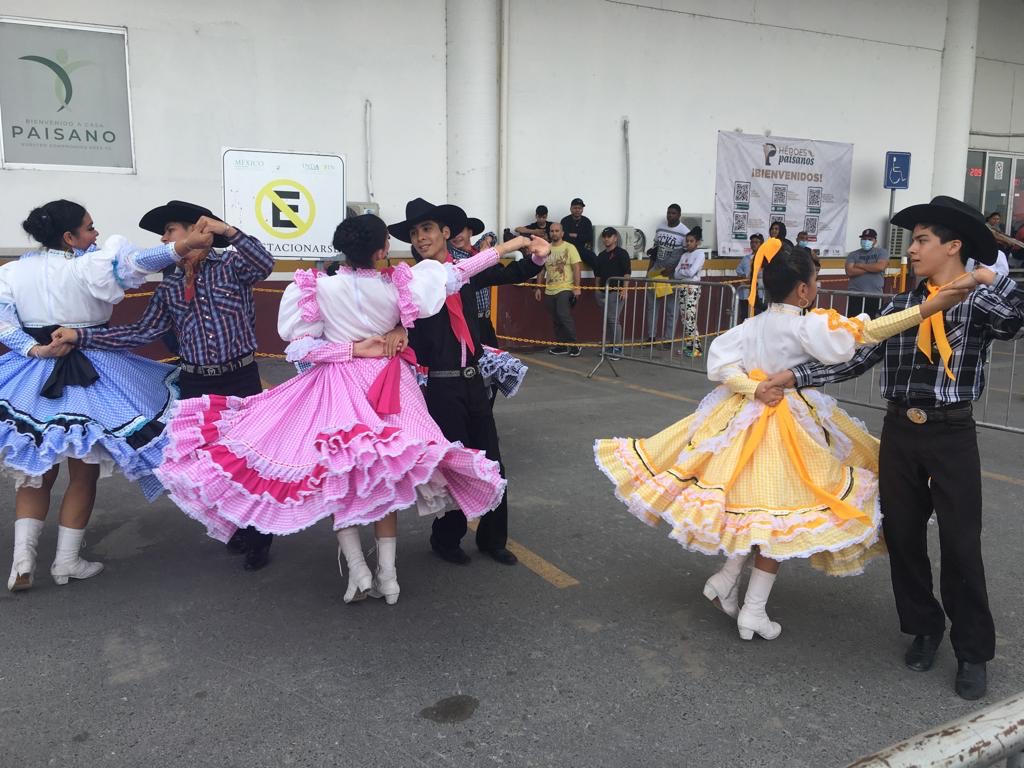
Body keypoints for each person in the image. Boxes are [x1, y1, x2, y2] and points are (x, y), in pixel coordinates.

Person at [594, 239, 969, 642]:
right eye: (815, 281)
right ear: (803, 290)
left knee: (753, 511)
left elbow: (718, 365)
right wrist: (929, 307)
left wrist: (750, 388)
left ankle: (726, 579)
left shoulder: (751, 324)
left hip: (742, 419)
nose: (818, 288)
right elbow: (866, 332)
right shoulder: (805, 325)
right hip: (787, 426)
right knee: (778, 518)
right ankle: (752, 609)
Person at [152, 214, 532, 605]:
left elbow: (298, 349)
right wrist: (506, 248)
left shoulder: (320, 289)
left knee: (340, 477)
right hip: (390, 386)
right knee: (383, 477)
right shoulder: (399, 285)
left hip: (338, 385)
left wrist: (349, 349)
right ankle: (388, 576)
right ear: (382, 250)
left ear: (343, 249)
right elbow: (458, 272)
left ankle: (359, 570)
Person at [775, 196, 1024, 700]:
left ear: (953, 246)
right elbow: (854, 359)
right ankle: (924, 628)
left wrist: (984, 278)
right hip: (901, 434)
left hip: (952, 435)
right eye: (912, 241)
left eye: (922, 241)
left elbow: (1015, 319)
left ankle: (972, 650)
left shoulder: (976, 299)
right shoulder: (900, 306)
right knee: (904, 538)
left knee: (960, 544)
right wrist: (791, 377)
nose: (910, 250)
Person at [53, 201, 278, 571]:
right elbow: (142, 332)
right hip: (195, 382)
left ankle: (258, 533)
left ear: (196, 231)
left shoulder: (232, 267)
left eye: (170, 229)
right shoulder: (170, 284)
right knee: (206, 463)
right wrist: (81, 336)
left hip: (240, 378)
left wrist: (228, 231)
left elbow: (264, 263)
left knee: (246, 459)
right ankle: (235, 525)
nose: (162, 238)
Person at [2, 199, 213, 592]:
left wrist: (35, 350)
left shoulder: (14, 271)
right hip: (96, 372)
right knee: (84, 473)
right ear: (70, 237)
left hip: (33, 374)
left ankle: (22, 562)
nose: (96, 234)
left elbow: (2, 319)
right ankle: (66, 562)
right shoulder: (90, 265)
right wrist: (184, 245)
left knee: (36, 472)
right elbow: (140, 262)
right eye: (90, 227)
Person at [396, 198, 548, 567]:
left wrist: (539, 257)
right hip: (439, 387)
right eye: (414, 233)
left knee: (492, 462)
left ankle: (493, 539)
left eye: (427, 229)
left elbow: (510, 273)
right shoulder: (410, 282)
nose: (420, 238)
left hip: (475, 380)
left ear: (446, 233)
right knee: (453, 465)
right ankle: (447, 539)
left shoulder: (466, 267)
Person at [450, 217, 528, 400]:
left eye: (461, 231)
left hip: (485, 321)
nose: (456, 237)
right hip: (467, 323)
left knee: (491, 371)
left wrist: (487, 242)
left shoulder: (476, 252)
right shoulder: (455, 260)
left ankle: (485, 411)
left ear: (470, 232)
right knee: (474, 372)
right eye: (452, 233)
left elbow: (490, 235)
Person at [534, 221, 582, 356]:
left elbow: (576, 267)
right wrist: (538, 287)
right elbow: (541, 270)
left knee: (563, 315)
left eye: (557, 231)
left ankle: (574, 346)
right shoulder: (546, 248)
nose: (554, 233)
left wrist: (577, 287)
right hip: (549, 289)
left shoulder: (570, 247)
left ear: (562, 233)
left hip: (565, 288)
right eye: (552, 231)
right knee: (556, 318)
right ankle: (561, 346)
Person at [583, 227, 632, 359]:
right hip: (603, 291)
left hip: (616, 291)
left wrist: (624, 289)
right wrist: (597, 290)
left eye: (609, 236)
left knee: (612, 319)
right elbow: (597, 275)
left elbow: (627, 273)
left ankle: (617, 349)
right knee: (608, 320)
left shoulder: (622, 254)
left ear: (615, 238)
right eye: (604, 236)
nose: (606, 239)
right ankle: (610, 346)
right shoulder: (601, 255)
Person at [645, 204, 690, 344]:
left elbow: (685, 255)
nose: (670, 215)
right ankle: (651, 337)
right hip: (657, 271)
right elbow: (654, 251)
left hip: (672, 275)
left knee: (671, 308)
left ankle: (668, 339)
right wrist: (649, 271)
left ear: (679, 215)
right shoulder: (660, 228)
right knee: (652, 305)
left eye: (673, 213)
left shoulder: (685, 232)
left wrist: (673, 270)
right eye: (668, 213)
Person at [671, 227, 707, 357]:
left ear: (697, 242)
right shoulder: (684, 255)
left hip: (692, 289)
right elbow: (675, 274)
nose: (688, 243)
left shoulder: (700, 254)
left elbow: (692, 272)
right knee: (684, 318)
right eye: (687, 241)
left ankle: (697, 348)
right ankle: (689, 345)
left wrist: (682, 273)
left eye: (691, 241)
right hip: (682, 287)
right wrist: (683, 274)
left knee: (690, 317)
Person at [845, 227, 890, 318]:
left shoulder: (882, 252)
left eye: (870, 239)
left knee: (872, 323)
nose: (866, 241)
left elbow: (880, 267)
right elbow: (850, 271)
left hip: (874, 296)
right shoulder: (853, 254)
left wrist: (860, 265)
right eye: (864, 239)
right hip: (855, 295)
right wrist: (872, 267)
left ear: (875, 241)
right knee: (854, 323)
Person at [736, 233, 765, 320]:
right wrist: (744, 275)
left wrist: (754, 276)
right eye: (752, 242)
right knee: (745, 315)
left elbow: (766, 272)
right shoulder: (746, 258)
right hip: (745, 292)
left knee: (757, 316)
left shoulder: (765, 259)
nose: (754, 244)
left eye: (756, 242)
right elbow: (738, 269)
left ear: (761, 244)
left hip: (758, 292)